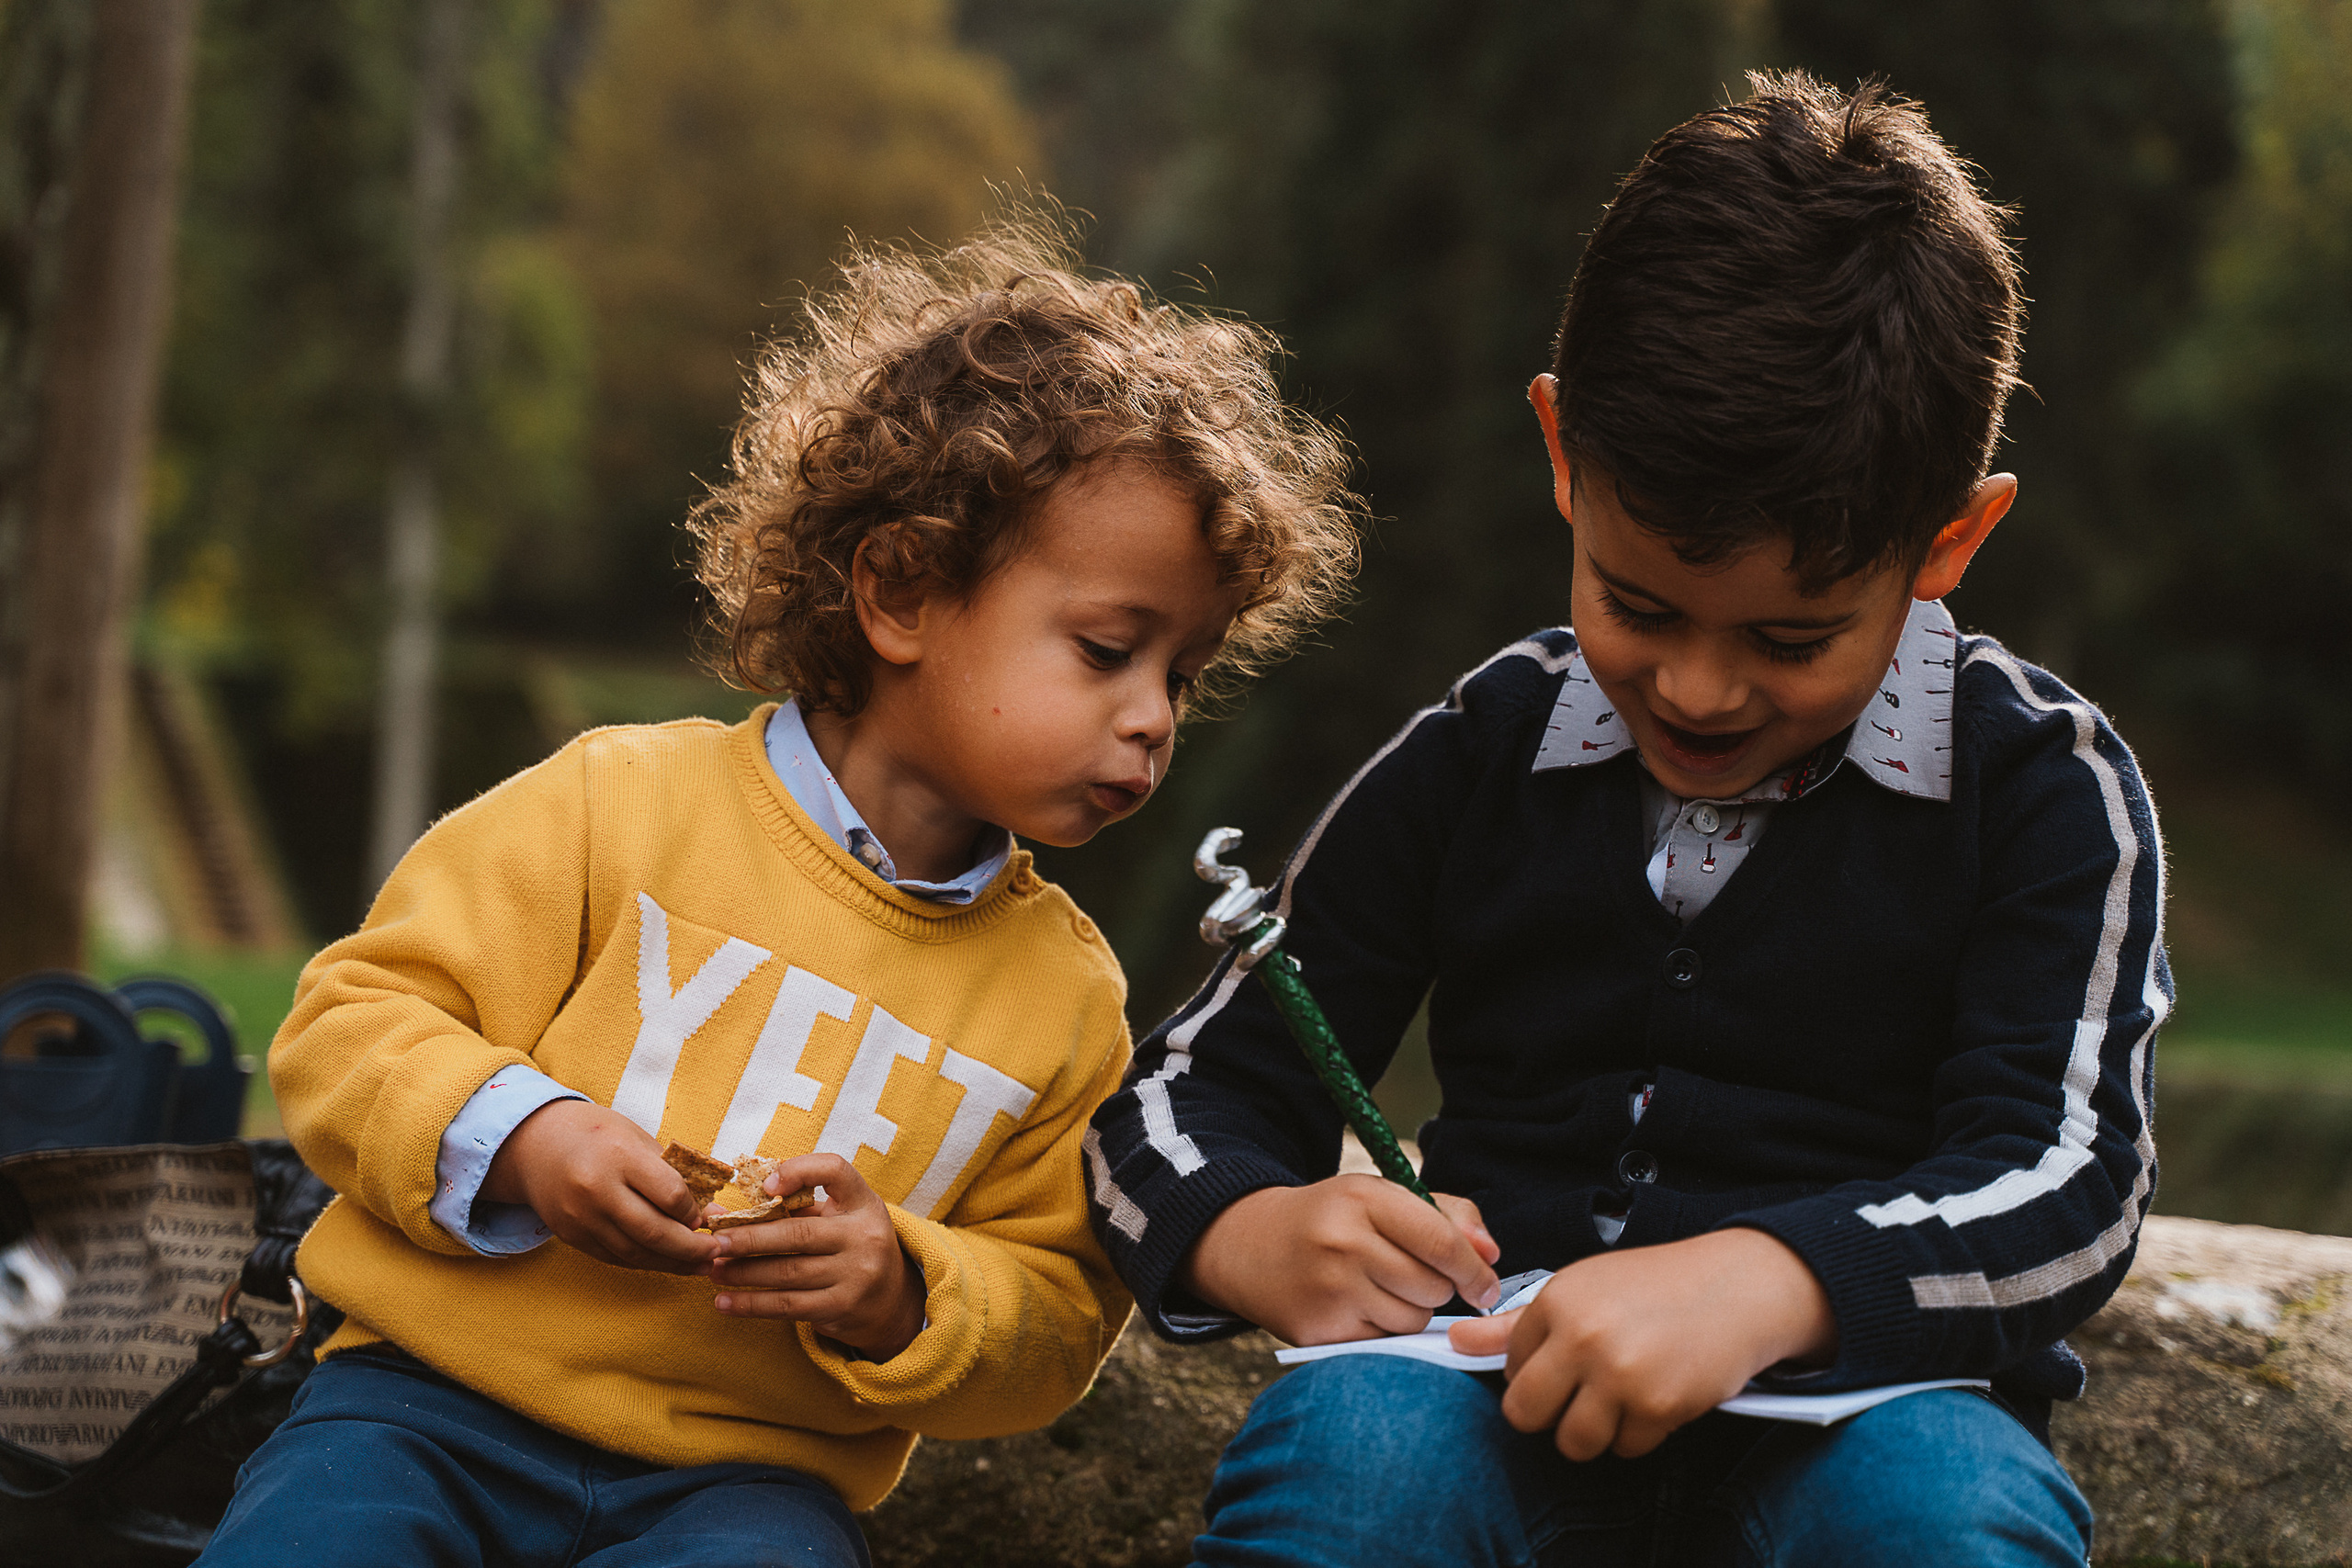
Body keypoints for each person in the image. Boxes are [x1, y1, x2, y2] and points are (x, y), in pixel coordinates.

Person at [1086, 73, 2161, 1568]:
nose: (1703, 689)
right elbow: (1168, 1102)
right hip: (1480, 1387)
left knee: (1943, 1516)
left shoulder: (2048, 788)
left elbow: (2071, 1185)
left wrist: (1773, 1281)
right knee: (1348, 1467)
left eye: (1791, 641)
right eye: (1638, 606)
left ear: (1953, 539)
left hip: (1876, 1405)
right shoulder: (1483, 749)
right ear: (1562, 455)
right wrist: (1242, 1231)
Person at [198, 219, 1359, 1568]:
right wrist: (530, 1136)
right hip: (415, 1411)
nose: (1154, 718)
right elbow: (349, 1027)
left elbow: (1057, 1311)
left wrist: (900, 1290)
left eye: (1183, 674)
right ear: (902, 590)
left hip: (743, 1490)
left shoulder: (1066, 997)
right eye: (1108, 650)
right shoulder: (616, 804)